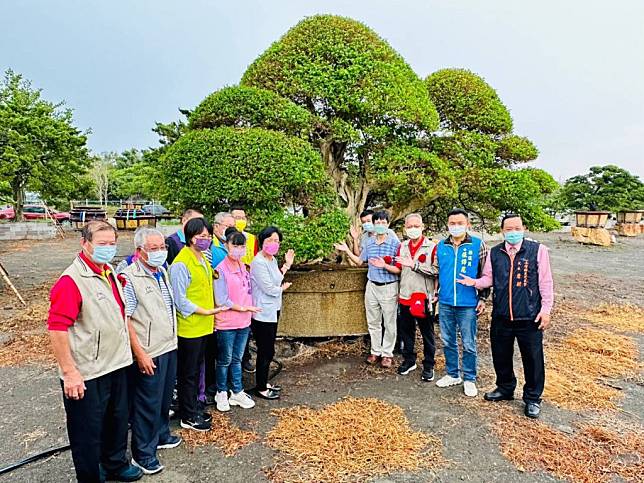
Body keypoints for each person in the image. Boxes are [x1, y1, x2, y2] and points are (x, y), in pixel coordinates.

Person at [47, 220, 142, 482]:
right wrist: (69, 371)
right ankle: (90, 476)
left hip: (117, 363)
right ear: (85, 243)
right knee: (86, 432)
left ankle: (115, 463)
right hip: (88, 371)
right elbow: (57, 328)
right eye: (102, 244)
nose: (108, 249)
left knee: (118, 420)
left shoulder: (108, 271)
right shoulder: (71, 281)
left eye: (112, 243)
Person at [457, 213, 553, 418]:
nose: (513, 232)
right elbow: (488, 278)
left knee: (533, 359)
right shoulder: (495, 252)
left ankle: (533, 398)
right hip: (501, 314)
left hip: (529, 316)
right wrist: (474, 283)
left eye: (517, 228)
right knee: (501, 355)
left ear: (523, 228)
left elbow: (546, 282)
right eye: (508, 229)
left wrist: (546, 310)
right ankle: (505, 388)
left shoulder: (538, 250)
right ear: (502, 231)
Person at [121, 228, 181, 475]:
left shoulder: (162, 271)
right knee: (147, 402)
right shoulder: (129, 277)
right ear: (140, 252)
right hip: (149, 350)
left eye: (162, 248)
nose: (160, 253)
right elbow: (125, 319)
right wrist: (140, 354)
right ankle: (143, 454)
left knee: (164, 398)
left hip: (168, 344)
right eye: (153, 249)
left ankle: (162, 434)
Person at [169, 217, 227, 432]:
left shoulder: (202, 258)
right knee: (188, 373)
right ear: (190, 238)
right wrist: (205, 311)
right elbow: (180, 299)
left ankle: (193, 407)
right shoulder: (181, 264)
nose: (206, 240)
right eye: (201, 236)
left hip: (204, 325)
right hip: (190, 327)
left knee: (198, 370)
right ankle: (188, 415)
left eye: (208, 236)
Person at [433, 209, 489, 398]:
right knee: (448, 340)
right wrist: (435, 293)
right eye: (452, 223)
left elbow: (485, 274)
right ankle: (452, 374)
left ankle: (469, 378)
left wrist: (482, 298)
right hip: (446, 301)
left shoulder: (478, 245)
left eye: (459, 223)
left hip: (468, 303)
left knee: (468, 342)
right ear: (447, 225)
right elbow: (436, 272)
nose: (455, 227)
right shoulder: (441, 246)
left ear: (468, 225)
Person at [335, 210, 401, 368]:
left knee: (390, 323)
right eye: (377, 222)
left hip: (389, 286)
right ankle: (375, 351)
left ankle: (387, 353)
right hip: (371, 286)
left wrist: (384, 265)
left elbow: (399, 269)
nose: (379, 225)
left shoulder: (395, 244)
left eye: (383, 223)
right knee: (373, 321)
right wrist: (347, 250)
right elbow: (359, 261)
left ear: (388, 224)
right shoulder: (369, 243)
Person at [212, 230, 262, 411]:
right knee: (224, 359)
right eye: (235, 245)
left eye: (242, 246)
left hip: (244, 322)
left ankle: (237, 391)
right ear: (226, 246)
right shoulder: (220, 270)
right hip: (227, 323)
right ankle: (221, 392)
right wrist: (244, 308)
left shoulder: (244, 267)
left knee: (237, 359)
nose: (239, 250)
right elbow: (221, 299)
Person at [250, 226, 295, 400]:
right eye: (270, 240)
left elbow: (276, 278)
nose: (274, 244)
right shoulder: (258, 262)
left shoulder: (271, 260)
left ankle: (263, 381)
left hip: (272, 309)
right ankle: (261, 387)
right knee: (265, 350)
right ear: (262, 241)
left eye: (276, 241)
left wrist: (286, 266)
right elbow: (269, 287)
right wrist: (281, 289)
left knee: (269, 350)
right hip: (262, 312)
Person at [394, 214, 438, 381]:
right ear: (405, 228)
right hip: (405, 295)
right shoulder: (402, 246)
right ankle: (409, 360)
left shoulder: (432, 247)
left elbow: (435, 271)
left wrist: (415, 265)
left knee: (427, 332)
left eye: (416, 226)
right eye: (409, 226)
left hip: (423, 296)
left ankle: (429, 364)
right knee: (407, 331)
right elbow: (399, 269)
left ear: (422, 226)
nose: (413, 229)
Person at [230, 205, 260, 373]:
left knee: (246, 326)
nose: (240, 221)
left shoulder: (251, 238)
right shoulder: (226, 239)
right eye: (237, 217)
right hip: (232, 284)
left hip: (247, 283)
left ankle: (245, 358)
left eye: (243, 217)